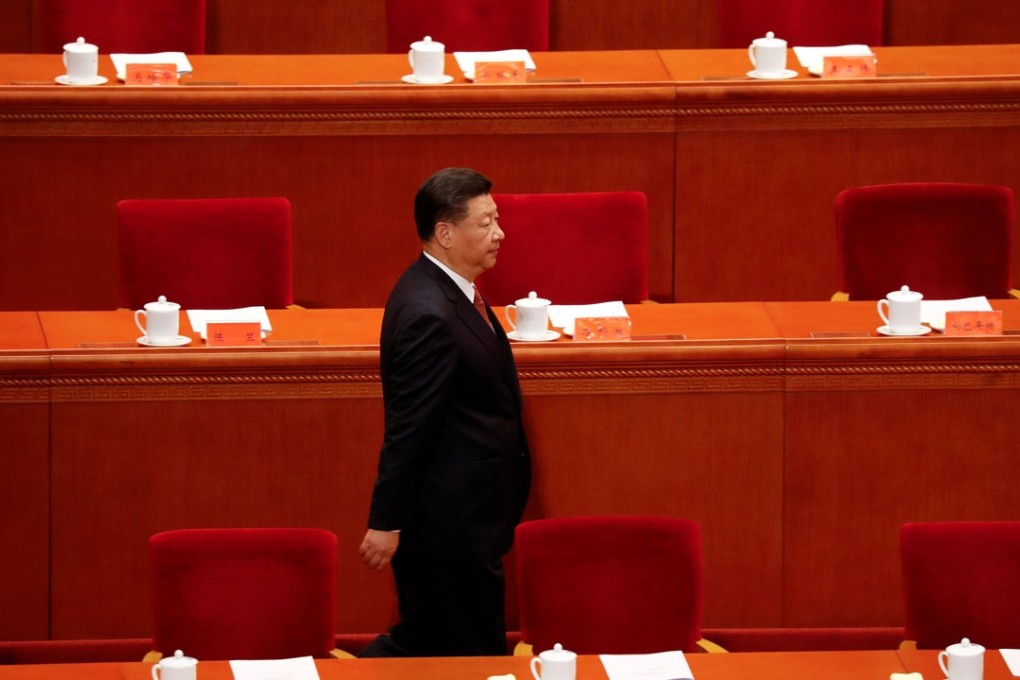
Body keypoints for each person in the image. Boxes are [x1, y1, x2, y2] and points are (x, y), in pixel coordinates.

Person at [358, 167, 532, 657]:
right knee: (456, 651)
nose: (500, 233)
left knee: (440, 645)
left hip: (467, 517)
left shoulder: (450, 290)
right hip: (449, 525)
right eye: (486, 222)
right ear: (445, 233)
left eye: (497, 219)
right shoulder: (428, 312)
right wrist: (386, 521)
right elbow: (410, 427)